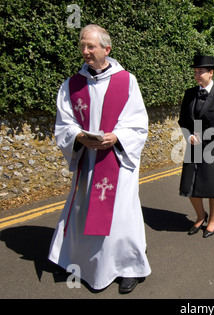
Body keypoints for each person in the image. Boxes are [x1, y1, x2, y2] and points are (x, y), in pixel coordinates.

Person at [48, 25, 151, 293]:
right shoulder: (72, 85)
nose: (85, 51)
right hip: (87, 162)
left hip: (118, 161)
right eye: (82, 45)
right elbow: (63, 123)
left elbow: (139, 124)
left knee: (120, 217)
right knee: (85, 213)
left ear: (107, 49)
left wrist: (116, 137)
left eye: (91, 46)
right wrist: (79, 137)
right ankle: (89, 266)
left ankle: (129, 268)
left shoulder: (127, 80)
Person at [178, 55, 214, 238]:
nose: (197, 75)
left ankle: (213, 220)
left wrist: (204, 137)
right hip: (193, 146)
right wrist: (189, 136)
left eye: (200, 72)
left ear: (211, 73)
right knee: (190, 186)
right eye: (195, 72)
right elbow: (183, 120)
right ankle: (200, 215)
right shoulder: (189, 94)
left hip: (213, 147)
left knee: (213, 187)